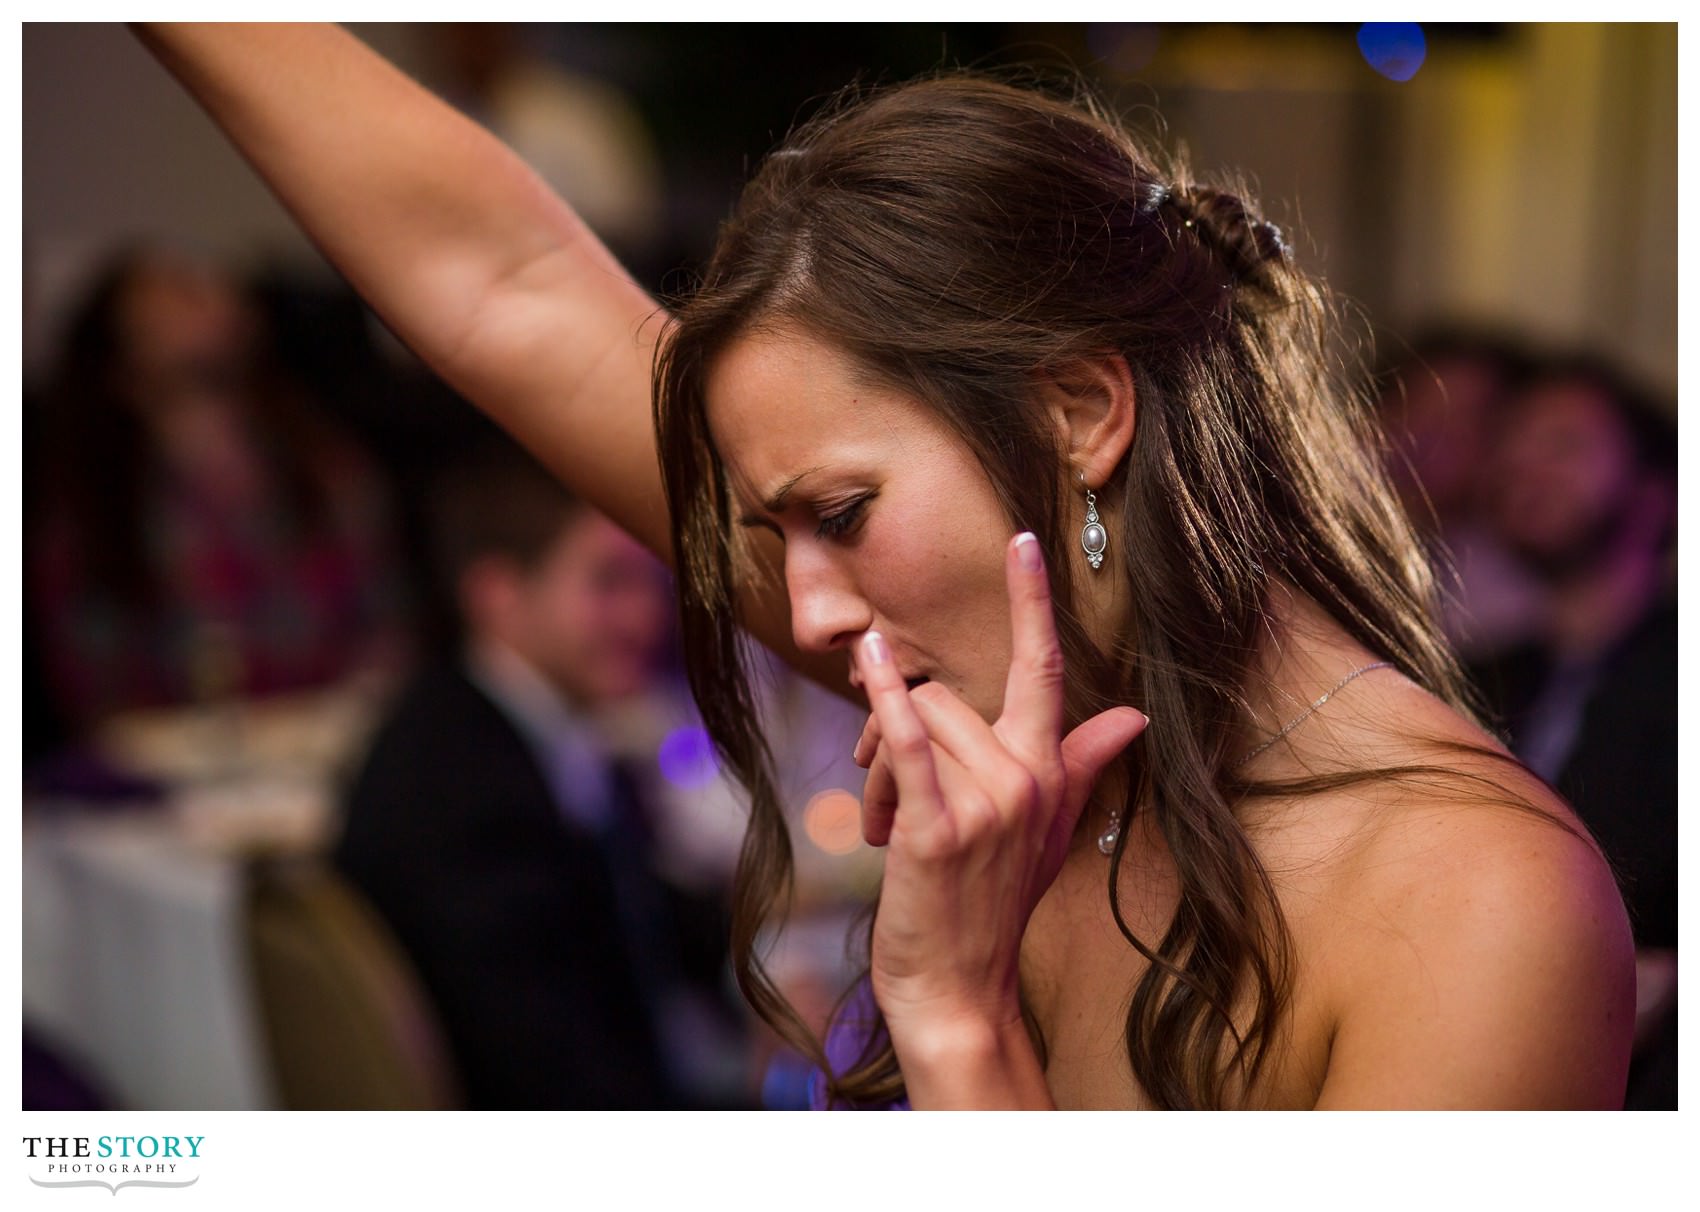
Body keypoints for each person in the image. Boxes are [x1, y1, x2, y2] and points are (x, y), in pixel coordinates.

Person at [135, 24, 1634, 1109]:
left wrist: (960, 1029)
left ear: (1082, 411)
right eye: (772, 527)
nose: (797, 610)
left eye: (839, 514)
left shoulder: (1483, 908)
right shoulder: (983, 650)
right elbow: (509, 286)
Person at [335, 445, 746, 1108]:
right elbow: (550, 1071)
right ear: (498, 596)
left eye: (651, 581)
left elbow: (630, 915)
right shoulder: (461, 794)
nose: (646, 617)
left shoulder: (527, 729)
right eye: (609, 582)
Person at [27, 244, 411, 734]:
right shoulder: (93, 506)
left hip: (321, 749)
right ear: (121, 362)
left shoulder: (326, 468)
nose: (206, 295)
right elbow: (93, 681)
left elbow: (388, 626)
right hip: (161, 775)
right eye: (177, 290)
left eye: (206, 284)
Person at [1466, 355, 1677, 1109]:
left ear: (1656, 493)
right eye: (1513, 441)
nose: (1522, 464)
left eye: (1563, 444)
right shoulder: (1475, 675)